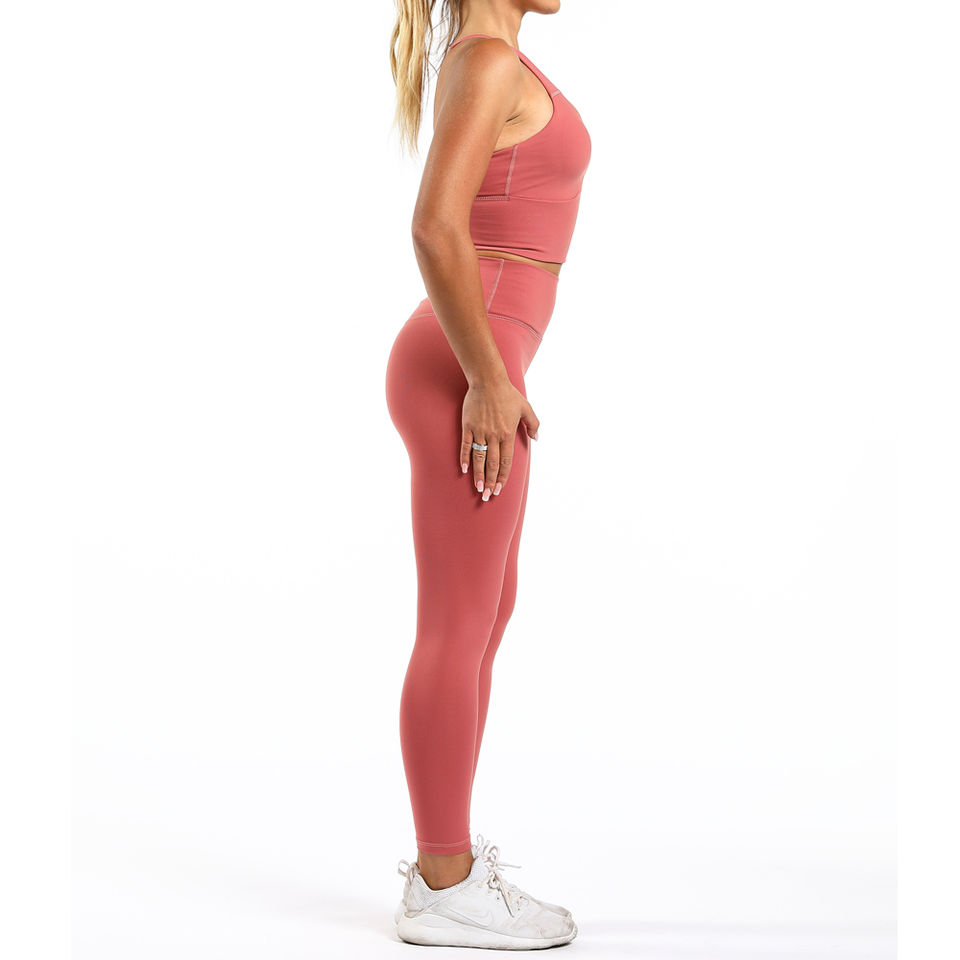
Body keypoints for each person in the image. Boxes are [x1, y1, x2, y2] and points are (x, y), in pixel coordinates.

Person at [385, 0, 591, 948]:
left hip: (480, 362)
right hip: (465, 369)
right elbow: (435, 227)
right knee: (457, 623)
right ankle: (443, 883)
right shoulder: (485, 59)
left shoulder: (496, 58)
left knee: (484, 617)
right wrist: (487, 380)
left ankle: (452, 865)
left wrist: (494, 374)